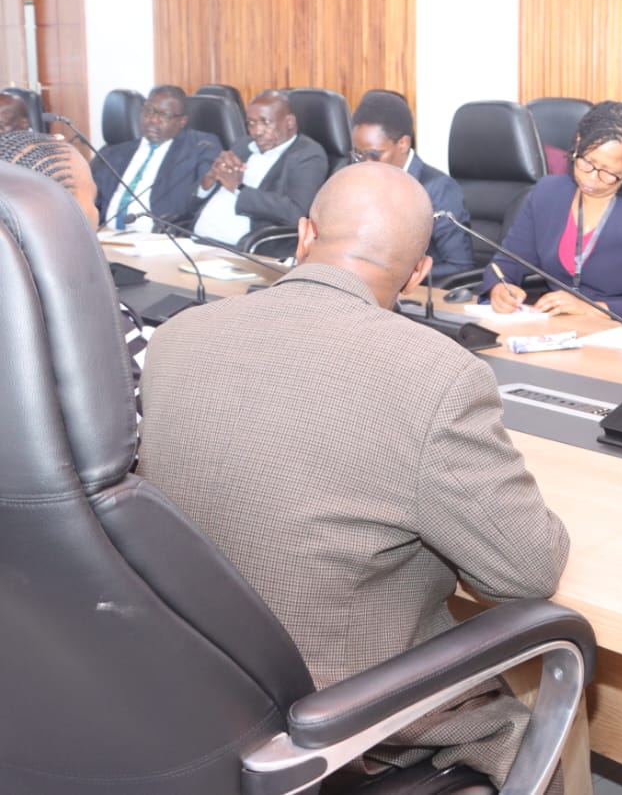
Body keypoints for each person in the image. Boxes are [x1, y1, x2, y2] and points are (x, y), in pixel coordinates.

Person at [138, 163, 570, 787]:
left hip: (188, 690)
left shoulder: (178, 337)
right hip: (343, 717)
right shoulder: (438, 376)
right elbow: (527, 573)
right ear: (420, 272)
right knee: (524, 728)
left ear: (304, 233)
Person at [484, 100, 622, 319]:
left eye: (609, 173)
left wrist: (593, 309)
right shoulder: (547, 192)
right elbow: (507, 262)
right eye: (587, 163)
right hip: (554, 329)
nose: (591, 179)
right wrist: (499, 288)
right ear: (578, 143)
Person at [1, 130, 149, 413]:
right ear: (57, 207)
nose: (96, 211)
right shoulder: (84, 315)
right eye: (92, 199)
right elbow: (141, 418)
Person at [350, 90, 473, 278]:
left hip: (419, 296)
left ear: (403, 143)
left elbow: (460, 266)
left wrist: (391, 275)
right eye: (359, 154)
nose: (365, 163)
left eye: (374, 154)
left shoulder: (438, 189)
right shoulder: (359, 182)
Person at [192, 89, 328, 247]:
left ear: (289, 122)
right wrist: (209, 179)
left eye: (265, 122)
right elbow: (195, 200)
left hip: (241, 249)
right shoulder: (243, 145)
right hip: (196, 240)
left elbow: (296, 212)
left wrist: (239, 187)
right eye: (251, 123)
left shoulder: (308, 155)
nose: (257, 132)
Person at [92, 84, 222, 230]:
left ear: (182, 121)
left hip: (156, 239)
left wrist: (205, 185)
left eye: (164, 115)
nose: (153, 119)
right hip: (105, 237)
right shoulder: (114, 153)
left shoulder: (200, 148)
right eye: (149, 111)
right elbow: (91, 197)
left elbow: (201, 196)